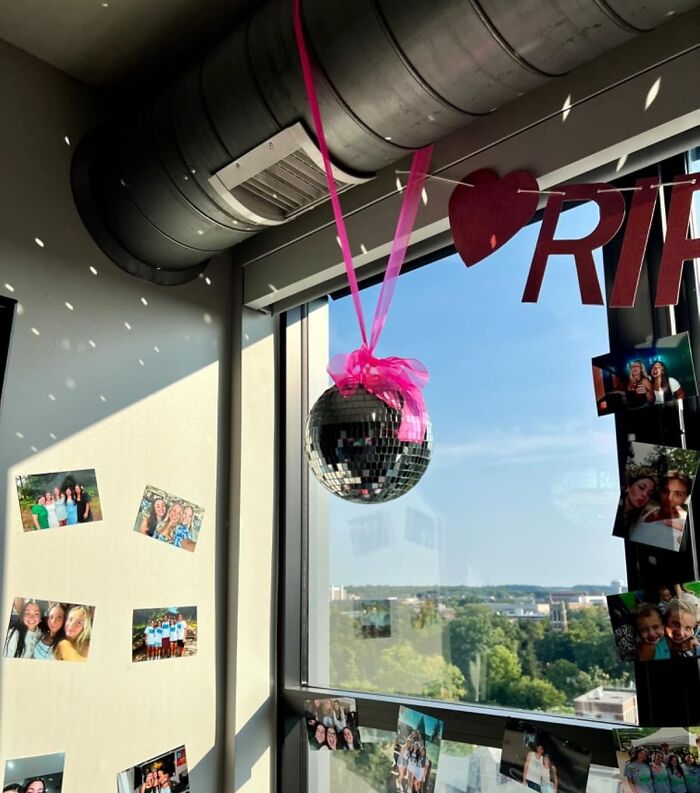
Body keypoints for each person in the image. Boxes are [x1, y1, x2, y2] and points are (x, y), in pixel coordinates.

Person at [630, 472, 692, 551]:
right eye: (665, 491)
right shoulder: (644, 512)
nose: (669, 498)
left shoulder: (684, 527)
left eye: (678, 494)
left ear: (685, 499)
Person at [617, 469, 657, 535]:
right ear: (628, 487)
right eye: (641, 488)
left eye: (649, 493)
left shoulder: (634, 519)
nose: (644, 495)